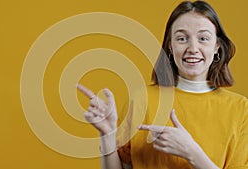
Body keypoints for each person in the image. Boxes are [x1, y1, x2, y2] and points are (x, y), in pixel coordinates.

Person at [77, 1, 248, 169]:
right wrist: (108, 136)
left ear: (217, 46)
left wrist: (192, 153)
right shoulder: (142, 100)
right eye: (182, 38)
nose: (193, 48)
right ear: (170, 47)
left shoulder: (240, 109)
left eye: (203, 38)